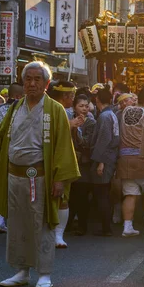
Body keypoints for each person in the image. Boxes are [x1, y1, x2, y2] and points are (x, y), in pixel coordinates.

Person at [0, 61, 79, 287]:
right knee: (17, 224)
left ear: (46, 84)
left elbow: (62, 146)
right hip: (13, 176)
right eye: (27, 79)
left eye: (37, 79)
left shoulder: (55, 110)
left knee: (42, 225)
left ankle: (44, 273)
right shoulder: (14, 108)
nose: (31, 83)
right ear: (22, 82)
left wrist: (59, 179)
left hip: (40, 177)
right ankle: (21, 271)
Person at [117, 87, 144, 237]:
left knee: (130, 194)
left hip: (125, 159)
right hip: (142, 158)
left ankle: (127, 226)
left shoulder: (126, 111)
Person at [46, 80, 80, 248]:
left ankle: (58, 235)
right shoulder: (50, 109)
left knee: (63, 198)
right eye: (72, 95)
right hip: (47, 159)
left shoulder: (66, 111)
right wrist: (70, 124)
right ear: (66, 95)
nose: (73, 99)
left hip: (64, 158)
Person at [0, 83, 24, 233]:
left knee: (0, 183)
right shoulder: (19, 109)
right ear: (18, 96)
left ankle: (0, 219)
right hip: (15, 150)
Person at [91, 85, 120, 237]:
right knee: (104, 192)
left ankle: (106, 227)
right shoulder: (111, 114)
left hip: (104, 158)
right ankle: (105, 225)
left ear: (97, 100)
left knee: (102, 193)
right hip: (110, 156)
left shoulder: (104, 116)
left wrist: (100, 161)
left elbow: (104, 140)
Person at [68, 95, 96, 236]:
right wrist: (71, 125)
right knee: (71, 195)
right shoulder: (68, 119)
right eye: (81, 106)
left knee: (82, 195)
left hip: (83, 163)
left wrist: (76, 131)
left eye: (86, 106)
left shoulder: (90, 122)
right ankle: (68, 223)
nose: (84, 109)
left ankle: (82, 225)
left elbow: (87, 144)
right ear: (74, 107)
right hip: (69, 161)